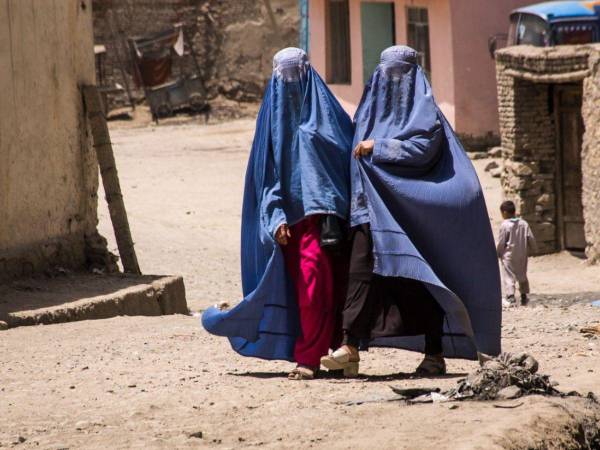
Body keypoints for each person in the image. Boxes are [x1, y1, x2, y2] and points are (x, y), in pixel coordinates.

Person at [321, 45, 502, 377]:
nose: (391, 81)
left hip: (405, 213)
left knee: (416, 282)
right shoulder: (368, 110)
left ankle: (434, 352)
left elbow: (424, 149)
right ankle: (350, 348)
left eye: (399, 74)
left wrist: (382, 146)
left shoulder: (425, 113)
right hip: (367, 209)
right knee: (361, 275)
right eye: (387, 72)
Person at [201, 48, 353, 380]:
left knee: (329, 288)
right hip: (291, 223)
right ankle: (310, 357)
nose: (292, 85)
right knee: (308, 290)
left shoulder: (329, 114)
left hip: (328, 219)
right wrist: (275, 216)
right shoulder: (271, 121)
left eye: (296, 75)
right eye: (285, 78)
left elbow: (346, 155)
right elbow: (265, 172)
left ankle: (332, 354)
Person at [496, 200, 537, 307]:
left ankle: (511, 296)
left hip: (508, 256)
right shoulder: (524, 223)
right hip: (522, 254)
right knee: (522, 274)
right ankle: (524, 295)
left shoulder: (505, 225)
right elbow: (531, 238)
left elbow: (501, 241)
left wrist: (498, 253)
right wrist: (534, 249)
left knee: (509, 275)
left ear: (504, 212)